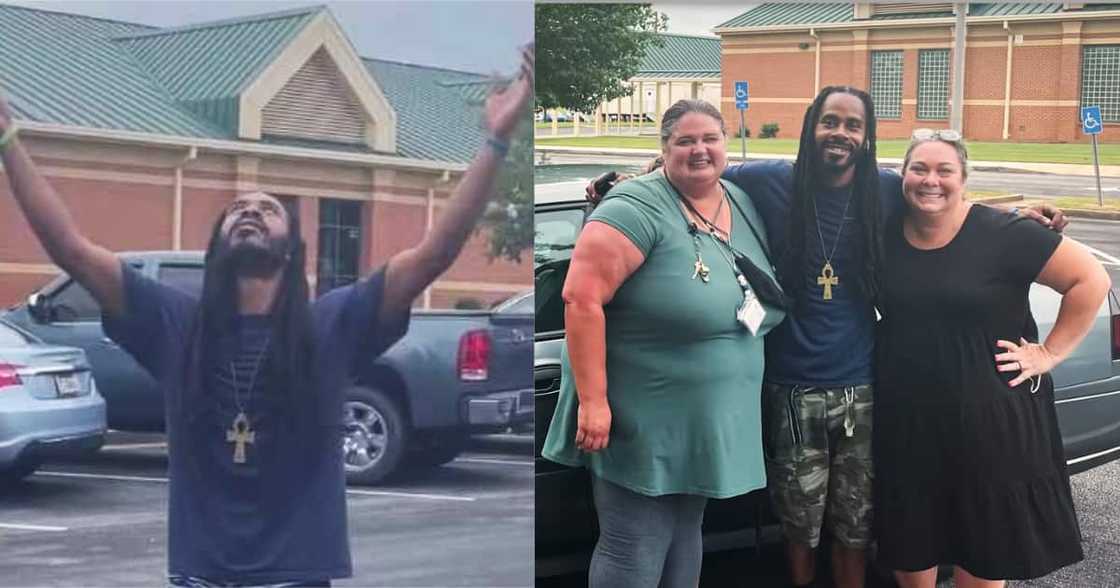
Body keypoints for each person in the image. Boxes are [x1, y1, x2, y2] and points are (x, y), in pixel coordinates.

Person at [0, 48, 532, 587]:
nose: (250, 210)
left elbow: (435, 253)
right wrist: (7, 139)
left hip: (295, 576)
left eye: (268, 208)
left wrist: (495, 141)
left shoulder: (331, 327)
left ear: (292, 248)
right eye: (236, 209)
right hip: (200, 576)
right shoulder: (175, 324)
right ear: (215, 246)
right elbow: (69, 249)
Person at [587, 87, 1066, 588]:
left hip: (862, 384)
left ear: (866, 136)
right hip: (790, 387)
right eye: (829, 122)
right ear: (811, 127)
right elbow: (696, 165)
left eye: (853, 125)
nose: (840, 133)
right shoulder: (770, 180)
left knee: (855, 526)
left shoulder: (882, 190)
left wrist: (1021, 218)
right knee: (798, 525)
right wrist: (627, 180)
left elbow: (942, 200)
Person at [541, 99, 787, 588]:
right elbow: (580, 300)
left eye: (710, 138)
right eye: (685, 141)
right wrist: (593, 403)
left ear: (726, 143)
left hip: (702, 421)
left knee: (684, 534)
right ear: (664, 148)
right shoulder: (635, 207)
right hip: (643, 417)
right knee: (634, 547)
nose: (700, 150)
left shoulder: (735, 198)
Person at [874, 130, 1109, 587]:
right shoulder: (885, 230)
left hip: (990, 425)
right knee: (911, 540)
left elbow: (1090, 280)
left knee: (985, 548)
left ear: (964, 179)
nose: (930, 180)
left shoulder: (1004, 233)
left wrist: (1048, 353)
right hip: (907, 422)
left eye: (945, 171)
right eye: (919, 169)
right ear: (902, 175)